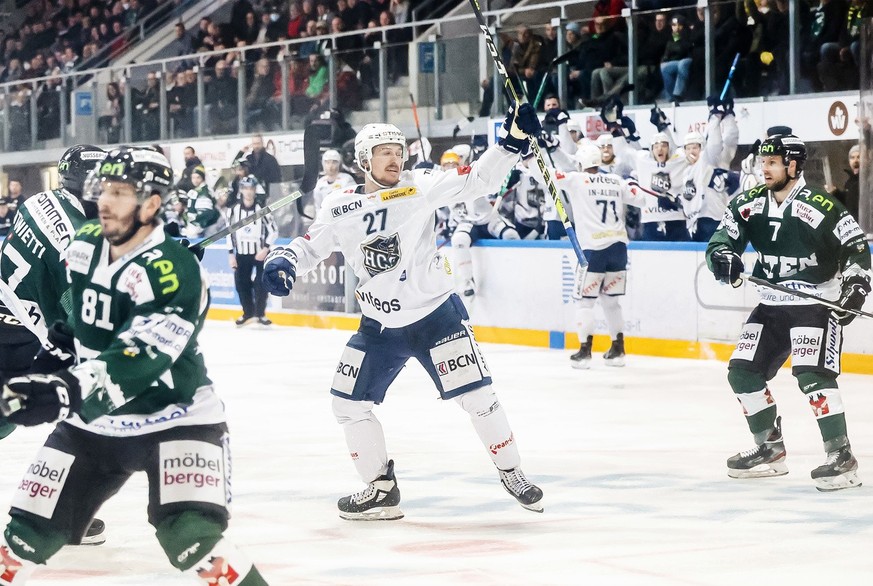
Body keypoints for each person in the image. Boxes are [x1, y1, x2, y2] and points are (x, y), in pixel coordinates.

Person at [0, 147, 269, 584]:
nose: (105, 201)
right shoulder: (85, 243)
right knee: (24, 537)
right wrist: (51, 360)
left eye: (119, 192)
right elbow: (79, 322)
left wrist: (61, 391)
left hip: (175, 418)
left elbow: (138, 359)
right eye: (102, 190)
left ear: (152, 204)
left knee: (191, 538)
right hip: (94, 426)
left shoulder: (176, 272)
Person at [262, 104, 545, 519]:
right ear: (364, 162)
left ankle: (512, 472)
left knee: (479, 397)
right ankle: (380, 489)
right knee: (347, 403)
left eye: (399, 151)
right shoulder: (338, 205)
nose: (396, 158)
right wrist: (284, 260)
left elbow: (479, 180)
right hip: (379, 325)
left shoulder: (422, 185)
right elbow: (311, 246)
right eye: (385, 152)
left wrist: (512, 143)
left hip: (436, 317)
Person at [706, 134, 871, 491]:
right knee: (743, 373)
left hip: (814, 304)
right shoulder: (749, 204)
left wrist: (855, 287)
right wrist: (723, 256)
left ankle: (841, 455)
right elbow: (721, 239)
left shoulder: (821, 206)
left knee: (812, 376)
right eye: (762, 162)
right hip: (772, 304)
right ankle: (769, 448)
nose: (764, 169)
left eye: (772, 162)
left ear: (793, 166)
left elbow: (856, 248)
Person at [0, 145, 108, 546]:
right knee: (84, 408)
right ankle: (59, 512)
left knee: (8, 411)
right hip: (21, 334)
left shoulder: (43, 200)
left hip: (10, 319)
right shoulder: (75, 237)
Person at [534, 144, 661, 368]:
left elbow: (545, 174)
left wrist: (528, 161)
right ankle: (618, 349)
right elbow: (641, 200)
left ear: (582, 163)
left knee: (585, 303)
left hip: (593, 250)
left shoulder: (577, 179)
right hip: (619, 248)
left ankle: (584, 351)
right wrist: (631, 183)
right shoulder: (615, 181)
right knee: (612, 302)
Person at [445, 148, 520, 298]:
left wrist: (506, 178)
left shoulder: (468, 173)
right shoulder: (441, 183)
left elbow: (488, 179)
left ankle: (517, 274)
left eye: (453, 164)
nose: (450, 168)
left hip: (489, 218)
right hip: (467, 223)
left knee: (511, 236)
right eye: (446, 166)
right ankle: (467, 281)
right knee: (459, 240)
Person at [678, 97, 740, 241]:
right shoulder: (685, 170)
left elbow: (724, 142)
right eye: (688, 148)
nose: (692, 151)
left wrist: (717, 116)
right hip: (695, 223)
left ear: (702, 148)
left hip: (715, 218)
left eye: (695, 147)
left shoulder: (708, 159)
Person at [228, 176, 277, 326]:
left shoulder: (262, 209)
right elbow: (229, 232)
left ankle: (260, 314)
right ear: (241, 190)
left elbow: (274, 231)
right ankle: (247, 313)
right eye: (245, 188)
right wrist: (231, 254)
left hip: (260, 253)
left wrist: (265, 248)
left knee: (261, 284)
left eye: (251, 189)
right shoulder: (234, 210)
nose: (248, 192)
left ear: (255, 190)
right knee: (241, 284)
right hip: (242, 253)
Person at [313, 149, 356, 214]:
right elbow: (318, 206)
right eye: (327, 162)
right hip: (326, 218)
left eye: (334, 162)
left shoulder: (346, 179)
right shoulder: (320, 183)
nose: (330, 165)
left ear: (339, 163)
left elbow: (353, 201)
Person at [827, 144, 860, 221]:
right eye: (852, 158)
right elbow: (847, 203)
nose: (855, 161)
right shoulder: (850, 182)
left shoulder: (869, 181)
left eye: (859, 157)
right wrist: (835, 193)